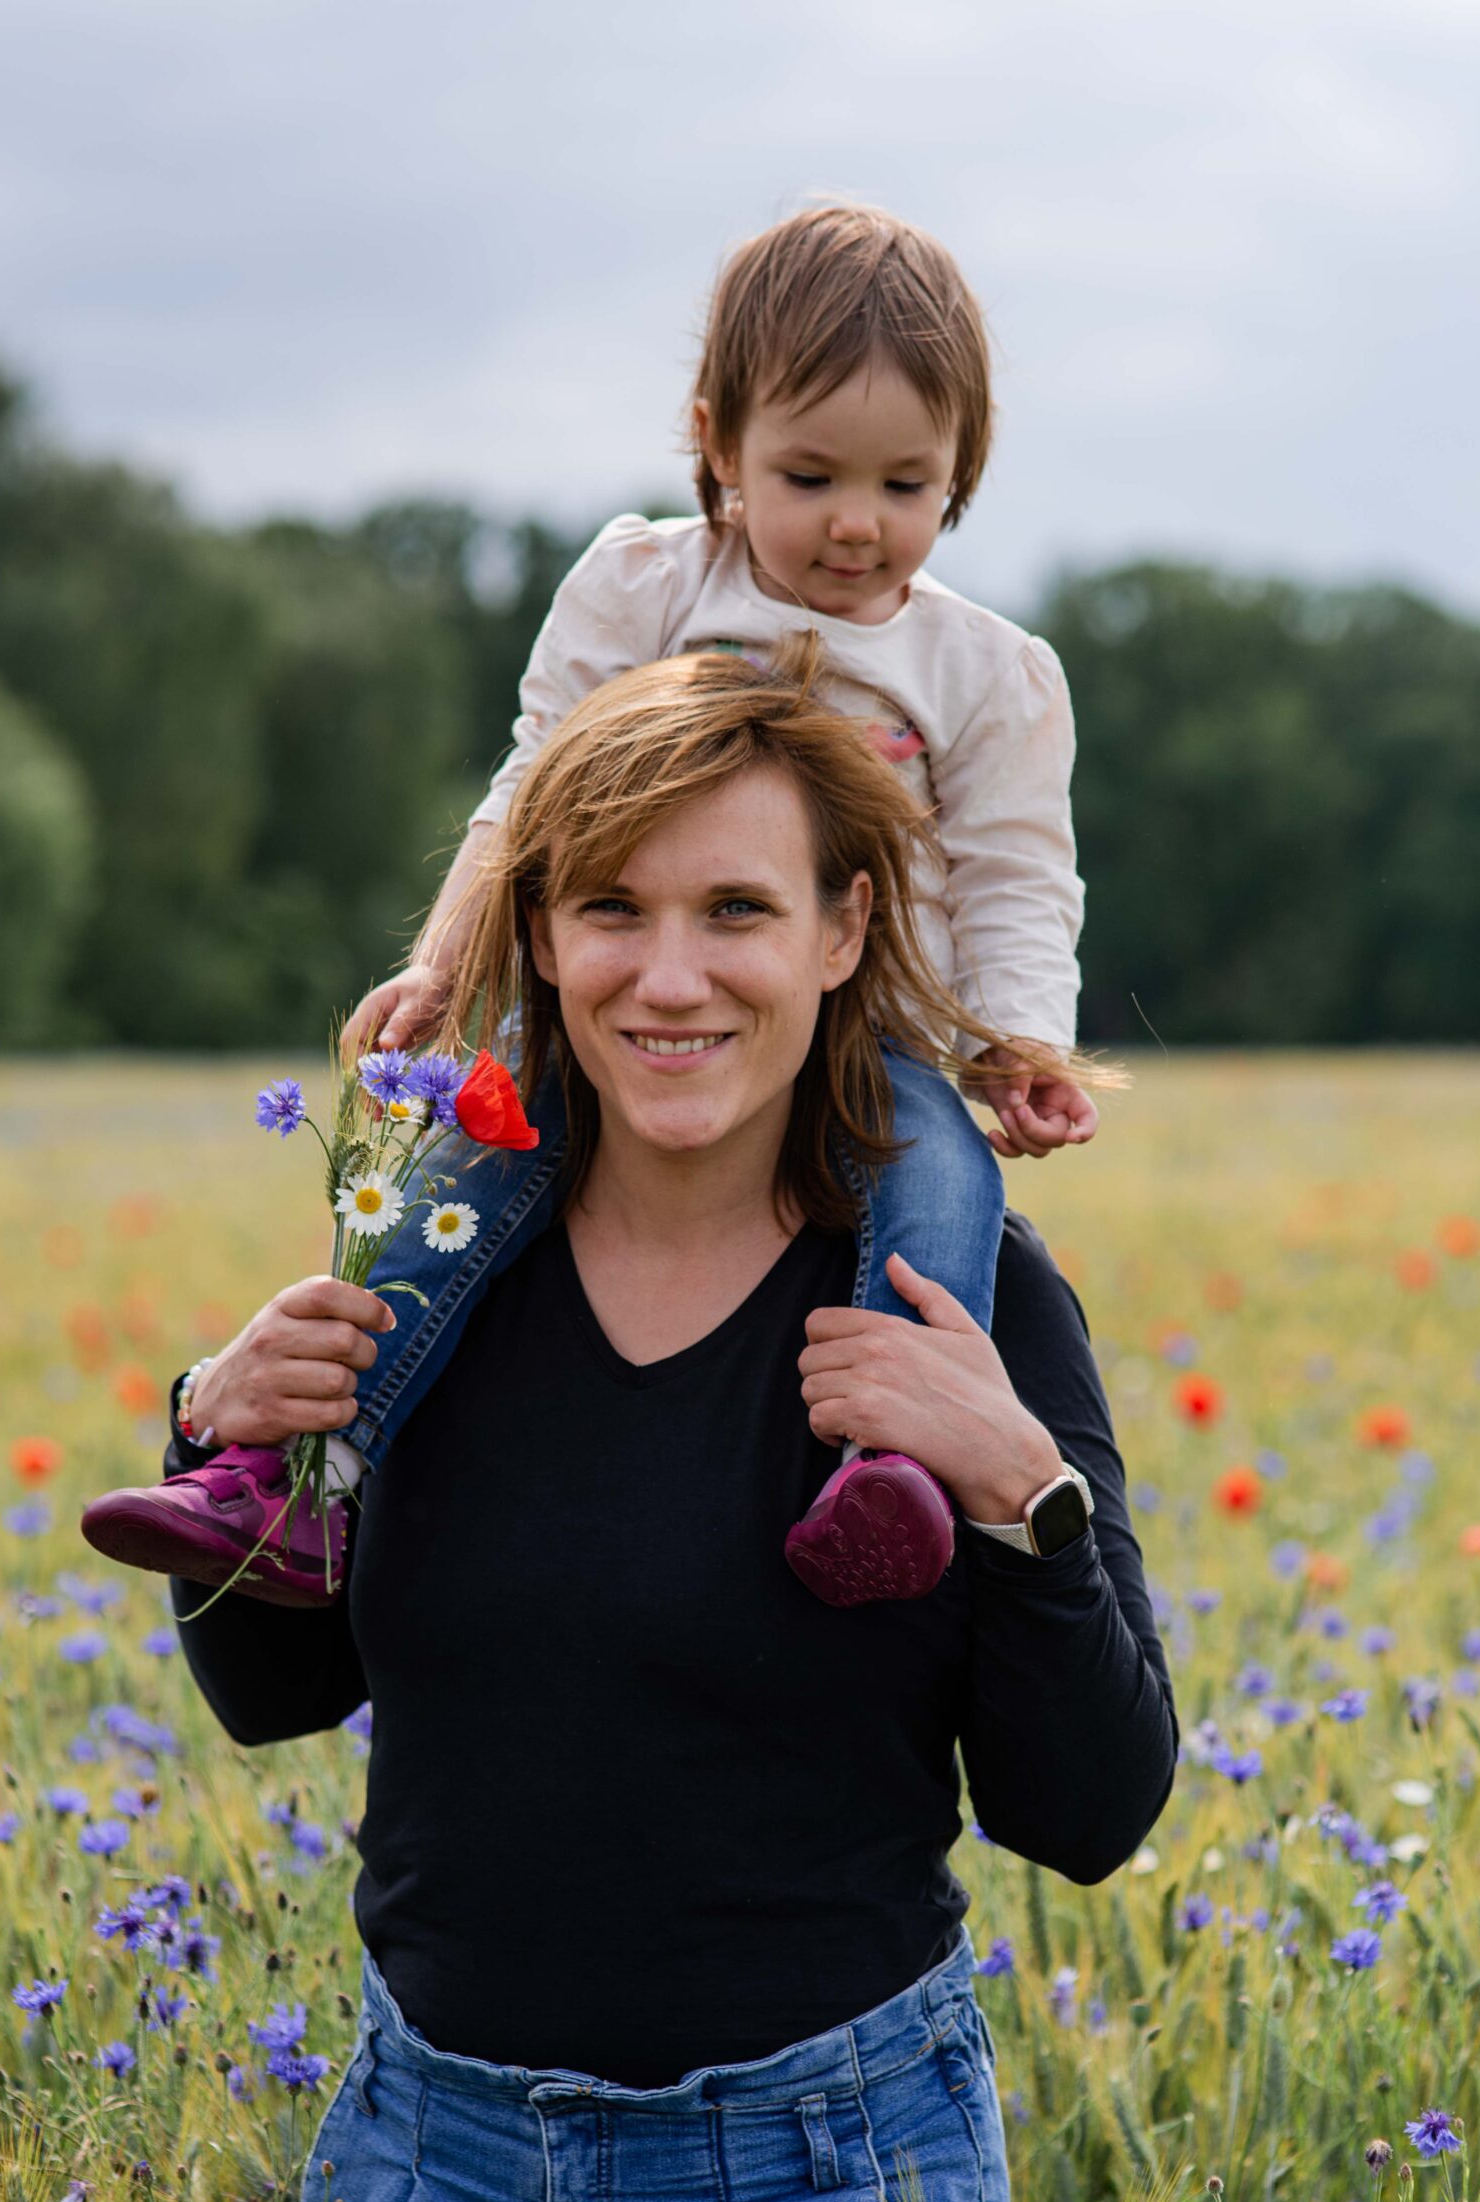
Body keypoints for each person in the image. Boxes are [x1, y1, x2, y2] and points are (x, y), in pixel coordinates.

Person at [164, 648, 1176, 2202]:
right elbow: (273, 1689)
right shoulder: (435, 1272)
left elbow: (1091, 1808)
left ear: (840, 927)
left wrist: (1015, 1488)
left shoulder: (958, 1301)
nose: (672, 974)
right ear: (539, 935)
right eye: (612, 910)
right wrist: (232, 1435)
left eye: (737, 911)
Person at [83, 201, 1108, 1613]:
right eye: (807, 475)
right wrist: (446, 967)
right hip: (597, 1036)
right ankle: (296, 1480)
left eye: (909, 486)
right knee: (456, 1191)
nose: (857, 526)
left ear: (961, 479)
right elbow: (524, 794)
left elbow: (1012, 872)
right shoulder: (643, 590)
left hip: (868, 1036)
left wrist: (1014, 1043)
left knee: (942, 1183)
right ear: (717, 446)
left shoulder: (985, 674)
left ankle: (887, 1472)